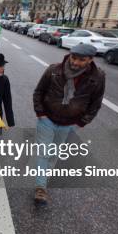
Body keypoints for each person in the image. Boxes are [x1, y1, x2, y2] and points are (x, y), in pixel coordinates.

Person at [32, 43, 105, 205]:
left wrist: (81, 122)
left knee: (54, 154)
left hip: (70, 124)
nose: (75, 62)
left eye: (81, 60)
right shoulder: (54, 70)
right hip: (47, 120)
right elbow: (39, 92)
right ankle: (40, 187)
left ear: (90, 60)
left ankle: (43, 178)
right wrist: (41, 114)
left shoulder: (97, 77)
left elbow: (96, 103)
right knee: (44, 153)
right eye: (73, 57)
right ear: (69, 55)